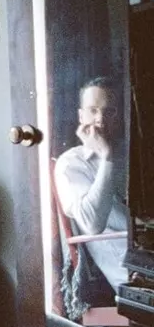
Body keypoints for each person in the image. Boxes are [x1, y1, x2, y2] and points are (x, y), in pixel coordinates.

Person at [54, 76, 129, 291]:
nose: (100, 119)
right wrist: (107, 157)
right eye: (93, 110)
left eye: (109, 111)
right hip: (133, 275)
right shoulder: (71, 163)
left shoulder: (134, 154)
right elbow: (92, 224)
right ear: (81, 116)